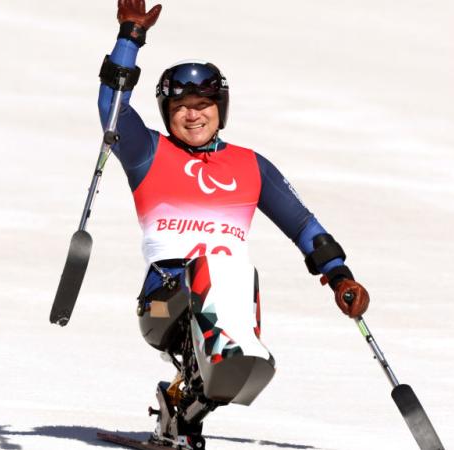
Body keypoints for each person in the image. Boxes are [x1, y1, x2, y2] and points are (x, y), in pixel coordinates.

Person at [97, 1, 370, 448]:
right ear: (167, 113)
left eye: (203, 103)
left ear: (220, 107)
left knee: (235, 275)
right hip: (162, 306)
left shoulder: (250, 166)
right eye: (180, 106)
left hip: (229, 305)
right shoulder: (147, 153)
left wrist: (340, 275)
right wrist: (130, 35)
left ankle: (184, 411)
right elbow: (112, 105)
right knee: (218, 268)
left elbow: (305, 227)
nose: (192, 114)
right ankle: (233, 353)